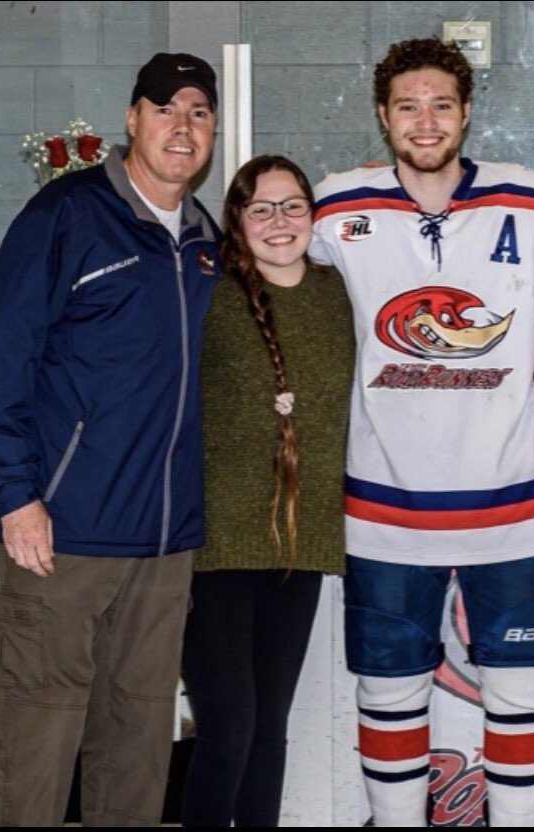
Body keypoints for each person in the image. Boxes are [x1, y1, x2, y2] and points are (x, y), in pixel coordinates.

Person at [0, 52, 219, 827]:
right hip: (61, 534)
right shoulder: (65, 216)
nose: (181, 126)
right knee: (38, 739)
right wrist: (15, 496)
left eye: (198, 112)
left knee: (136, 749)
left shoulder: (204, 241)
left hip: (164, 546)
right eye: (165, 109)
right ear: (131, 119)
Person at [310, 37, 534, 827]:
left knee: (523, 692)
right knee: (388, 690)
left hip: (514, 511)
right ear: (383, 117)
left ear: (465, 113)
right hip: (384, 512)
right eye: (408, 106)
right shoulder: (336, 206)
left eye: (441, 105)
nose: (425, 122)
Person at [180, 155, 353, 827]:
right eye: (261, 209)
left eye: (293, 207)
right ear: (237, 221)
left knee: (269, 727)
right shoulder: (211, 296)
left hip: (300, 540)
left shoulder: (340, 293)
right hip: (216, 543)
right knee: (228, 730)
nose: (279, 223)